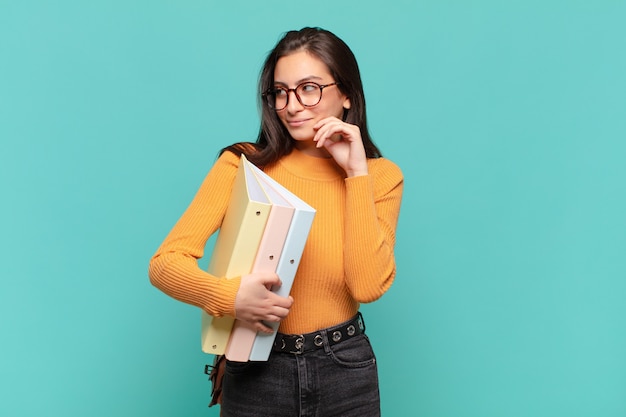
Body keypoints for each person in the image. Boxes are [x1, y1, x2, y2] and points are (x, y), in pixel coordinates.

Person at [149, 27, 403, 417]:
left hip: (346, 369)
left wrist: (355, 174)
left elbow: (367, 285)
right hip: (256, 368)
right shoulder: (243, 165)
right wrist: (231, 298)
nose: (292, 105)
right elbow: (165, 263)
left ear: (347, 93)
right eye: (281, 92)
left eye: (309, 88)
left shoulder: (381, 177)